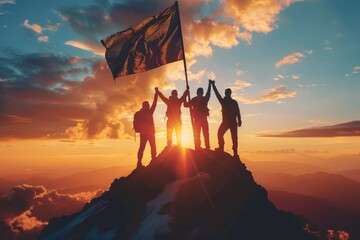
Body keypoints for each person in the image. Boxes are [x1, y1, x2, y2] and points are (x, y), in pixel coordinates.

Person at [210, 80, 242, 157]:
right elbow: (238, 112)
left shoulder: (225, 102)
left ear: (227, 93)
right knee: (231, 137)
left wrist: (213, 85)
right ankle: (232, 152)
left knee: (224, 135)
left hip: (228, 122)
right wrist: (239, 120)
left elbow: (238, 111)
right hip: (231, 122)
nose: (226, 94)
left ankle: (228, 150)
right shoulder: (231, 102)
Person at [184, 80, 211, 150]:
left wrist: (186, 94)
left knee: (200, 133)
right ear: (201, 93)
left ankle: (201, 146)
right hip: (199, 120)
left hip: (199, 119)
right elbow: (208, 94)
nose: (199, 94)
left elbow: (185, 104)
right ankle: (202, 146)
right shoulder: (200, 99)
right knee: (201, 134)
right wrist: (186, 93)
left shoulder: (196, 99)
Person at [135, 88, 158, 168]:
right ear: (147, 106)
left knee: (142, 148)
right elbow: (154, 104)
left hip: (143, 133)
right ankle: (154, 159)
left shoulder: (140, 113)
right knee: (153, 146)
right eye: (148, 105)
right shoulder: (149, 112)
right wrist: (156, 94)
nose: (149, 106)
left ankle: (139, 163)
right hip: (150, 133)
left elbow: (154, 104)